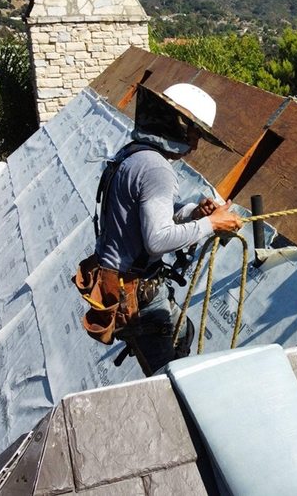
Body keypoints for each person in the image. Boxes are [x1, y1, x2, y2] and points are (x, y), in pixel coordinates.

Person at [92, 82, 242, 375]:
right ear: (177, 125)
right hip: (135, 294)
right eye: (194, 133)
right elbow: (157, 239)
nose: (195, 145)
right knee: (171, 379)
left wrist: (193, 214)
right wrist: (212, 223)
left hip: (120, 283)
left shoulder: (134, 154)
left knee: (183, 332)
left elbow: (145, 218)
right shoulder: (157, 169)